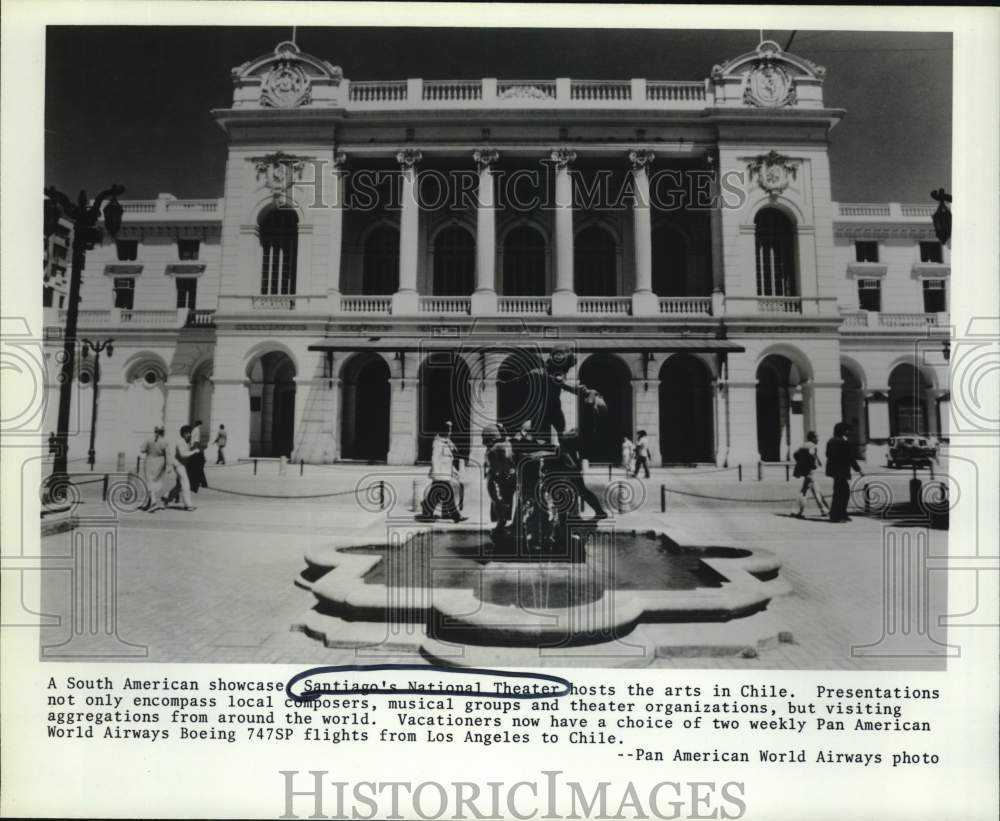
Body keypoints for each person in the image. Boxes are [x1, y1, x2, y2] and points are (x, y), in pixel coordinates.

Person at [416, 427, 467, 523]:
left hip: (445, 473)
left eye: (451, 428)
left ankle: (427, 508)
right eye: (447, 428)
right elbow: (435, 458)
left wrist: (454, 471)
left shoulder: (448, 442)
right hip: (440, 474)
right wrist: (436, 473)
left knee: (437, 493)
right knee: (448, 493)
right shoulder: (438, 443)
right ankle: (455, 515)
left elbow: (449, 459)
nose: (449, 430)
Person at [556, 430, 607, 521]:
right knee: (581, 491)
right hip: (573, 470)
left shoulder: (563, 443)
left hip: (569, 471)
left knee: (572, 492)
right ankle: (598, 511)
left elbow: (567, 457)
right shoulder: (571, 443)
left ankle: (575, 516)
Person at [482, 425, 516, 538]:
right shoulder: (503, 445)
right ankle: (501, 525)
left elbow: (500, 465)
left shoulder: (497, 447)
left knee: (499, 501)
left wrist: (499, 476)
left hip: (499, 478)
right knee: (502, 501)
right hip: (503, 477)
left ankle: (500, 526)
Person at [825, 422, 863, 523]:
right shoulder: (844, 442)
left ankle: (840, 514)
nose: (848, 432)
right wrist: (858, 469)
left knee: (838, 492)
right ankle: (837, 515)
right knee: (843, 493)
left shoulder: (830, 441)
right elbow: (850, 458)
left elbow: (827, 455)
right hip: (842, 470)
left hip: (834, 470)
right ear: (842, 431)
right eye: (846, 430)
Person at [791, 431, 828, 519]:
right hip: (810, 472)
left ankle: (823, 509)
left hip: (806, 471)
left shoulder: (804, 445)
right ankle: (797, 511)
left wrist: (801, 463)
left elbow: (795, 454)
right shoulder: (812, 446)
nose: (818, 439)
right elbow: (811, 455)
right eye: (817, 437)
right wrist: (812, 464)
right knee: (807, 492)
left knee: (813, 490)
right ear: (813, 438)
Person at [165, 425, 198, 511]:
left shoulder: (185, 441)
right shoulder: (180, 442)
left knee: (179, 486)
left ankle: (166, 498)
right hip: (178, 465)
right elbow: (183, 454)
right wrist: (194, 452)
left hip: (182, 465)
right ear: (184, 433)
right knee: (185, 483)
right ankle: (188, 505)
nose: (190, 435)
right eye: (188, 433)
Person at [139, 425, 170, 512]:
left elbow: (142, 450)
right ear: (163, 431)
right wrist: (168, 466)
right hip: (160, 463)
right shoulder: (165, 441)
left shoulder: (149, 439)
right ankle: (149, 504)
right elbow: (167, 454)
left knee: (149, 482)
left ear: (155, 431)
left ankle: (153, 502)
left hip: (149, 462)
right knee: (155, 483)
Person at [186, 419, 208, 492]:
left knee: (197, 467)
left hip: (193, 449)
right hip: (195, 450)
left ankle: (202, 483)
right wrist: (196, 450)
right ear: (200, 424)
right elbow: (196, 441)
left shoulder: (193, 430)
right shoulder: (197, 430)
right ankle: (202, 483)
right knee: (198, 467)